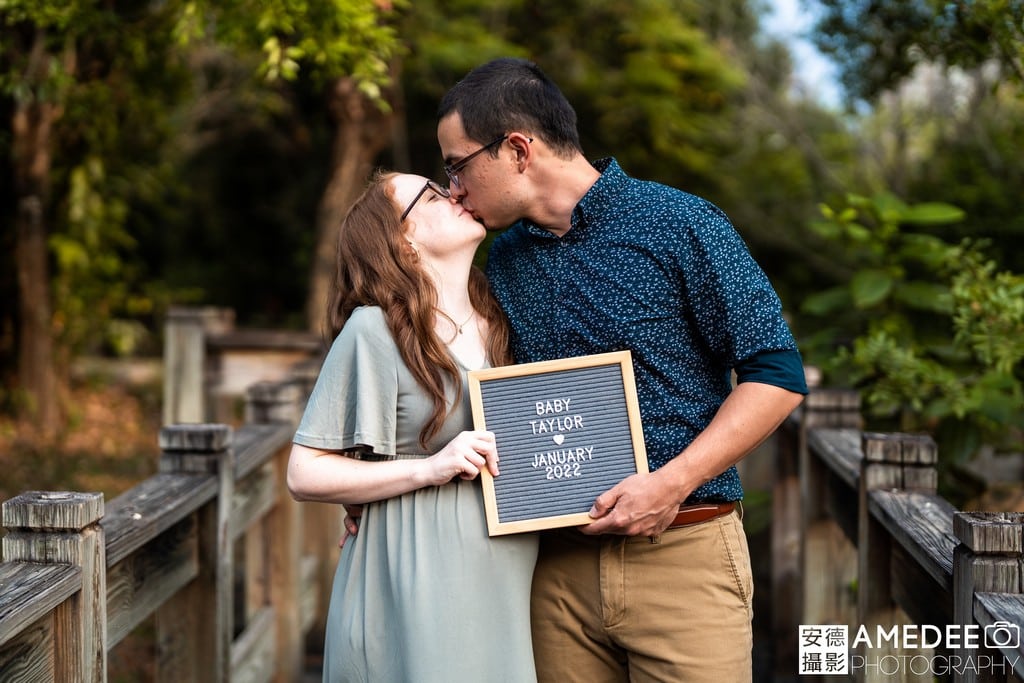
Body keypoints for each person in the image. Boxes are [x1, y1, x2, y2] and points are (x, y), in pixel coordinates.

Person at [436, 58, 808, 682]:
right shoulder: (502, 262)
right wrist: (381, 489)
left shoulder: (681, 225)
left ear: (518, 150)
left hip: (684, 556)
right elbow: (462, 389)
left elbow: (777, 374)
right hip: (552, 571)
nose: (453, 188)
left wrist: (671, 483)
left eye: (457, 165)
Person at [287, 170, 539, 683]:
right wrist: (430, 469)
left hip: (510, 583)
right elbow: (304, 472)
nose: (455, 193)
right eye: (432, 194)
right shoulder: (375, 330)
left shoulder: (506, 324)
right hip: (414, 582)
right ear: (401, 240)